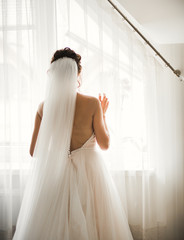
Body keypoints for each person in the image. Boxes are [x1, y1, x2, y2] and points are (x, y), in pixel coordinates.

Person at [13, 47, 133, 240]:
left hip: (56, 175)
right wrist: (103, 114)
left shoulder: (44, 107)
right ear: (77, 73)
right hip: (91, 175)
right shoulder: (92, 103)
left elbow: (34, 151)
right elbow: (105, 144)